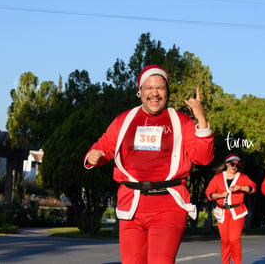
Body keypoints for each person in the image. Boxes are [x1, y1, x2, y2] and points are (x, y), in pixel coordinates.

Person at [84, 64, 214, 264]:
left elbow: (203, 158)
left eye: (160, 88)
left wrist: (201, 119)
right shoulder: (124, 120)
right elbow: (105, 145)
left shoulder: (181, 121)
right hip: (131, 206)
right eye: (149, 88)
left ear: (167, 91)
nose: (155, 93)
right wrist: (95, 155)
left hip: (168, 207)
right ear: (140, 91)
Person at [206, 153, 256, 264]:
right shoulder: (218, 178)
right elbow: (209, 194)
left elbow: (253, 188)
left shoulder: (242, 177)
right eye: (232, 164)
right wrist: (220, 195)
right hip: (222, 212)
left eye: (237, 165)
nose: (234, 167)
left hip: (237, 212)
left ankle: (237, 262)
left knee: (234, 239)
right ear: (227, 164)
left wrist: (240, 187)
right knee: (225, 241)